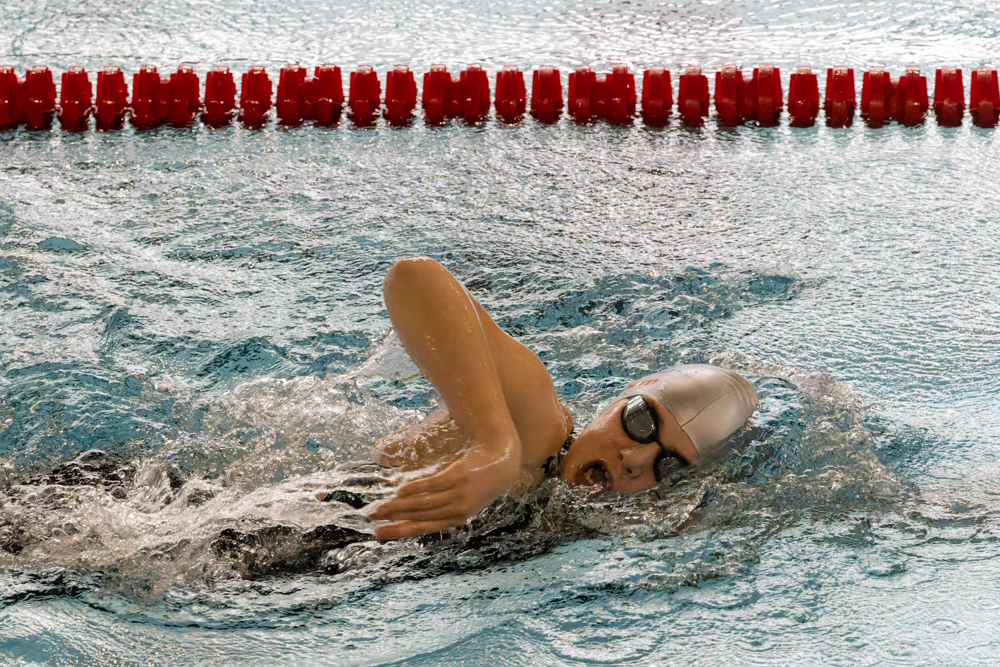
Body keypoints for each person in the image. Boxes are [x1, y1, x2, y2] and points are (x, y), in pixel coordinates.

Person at [367, 257, 758, 540]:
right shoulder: (538, 429)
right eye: (641, 422)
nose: (635, 460)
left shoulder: (585, 524)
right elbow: (413, 277)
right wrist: (494, 444)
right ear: (617, 401)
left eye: (668, 466)